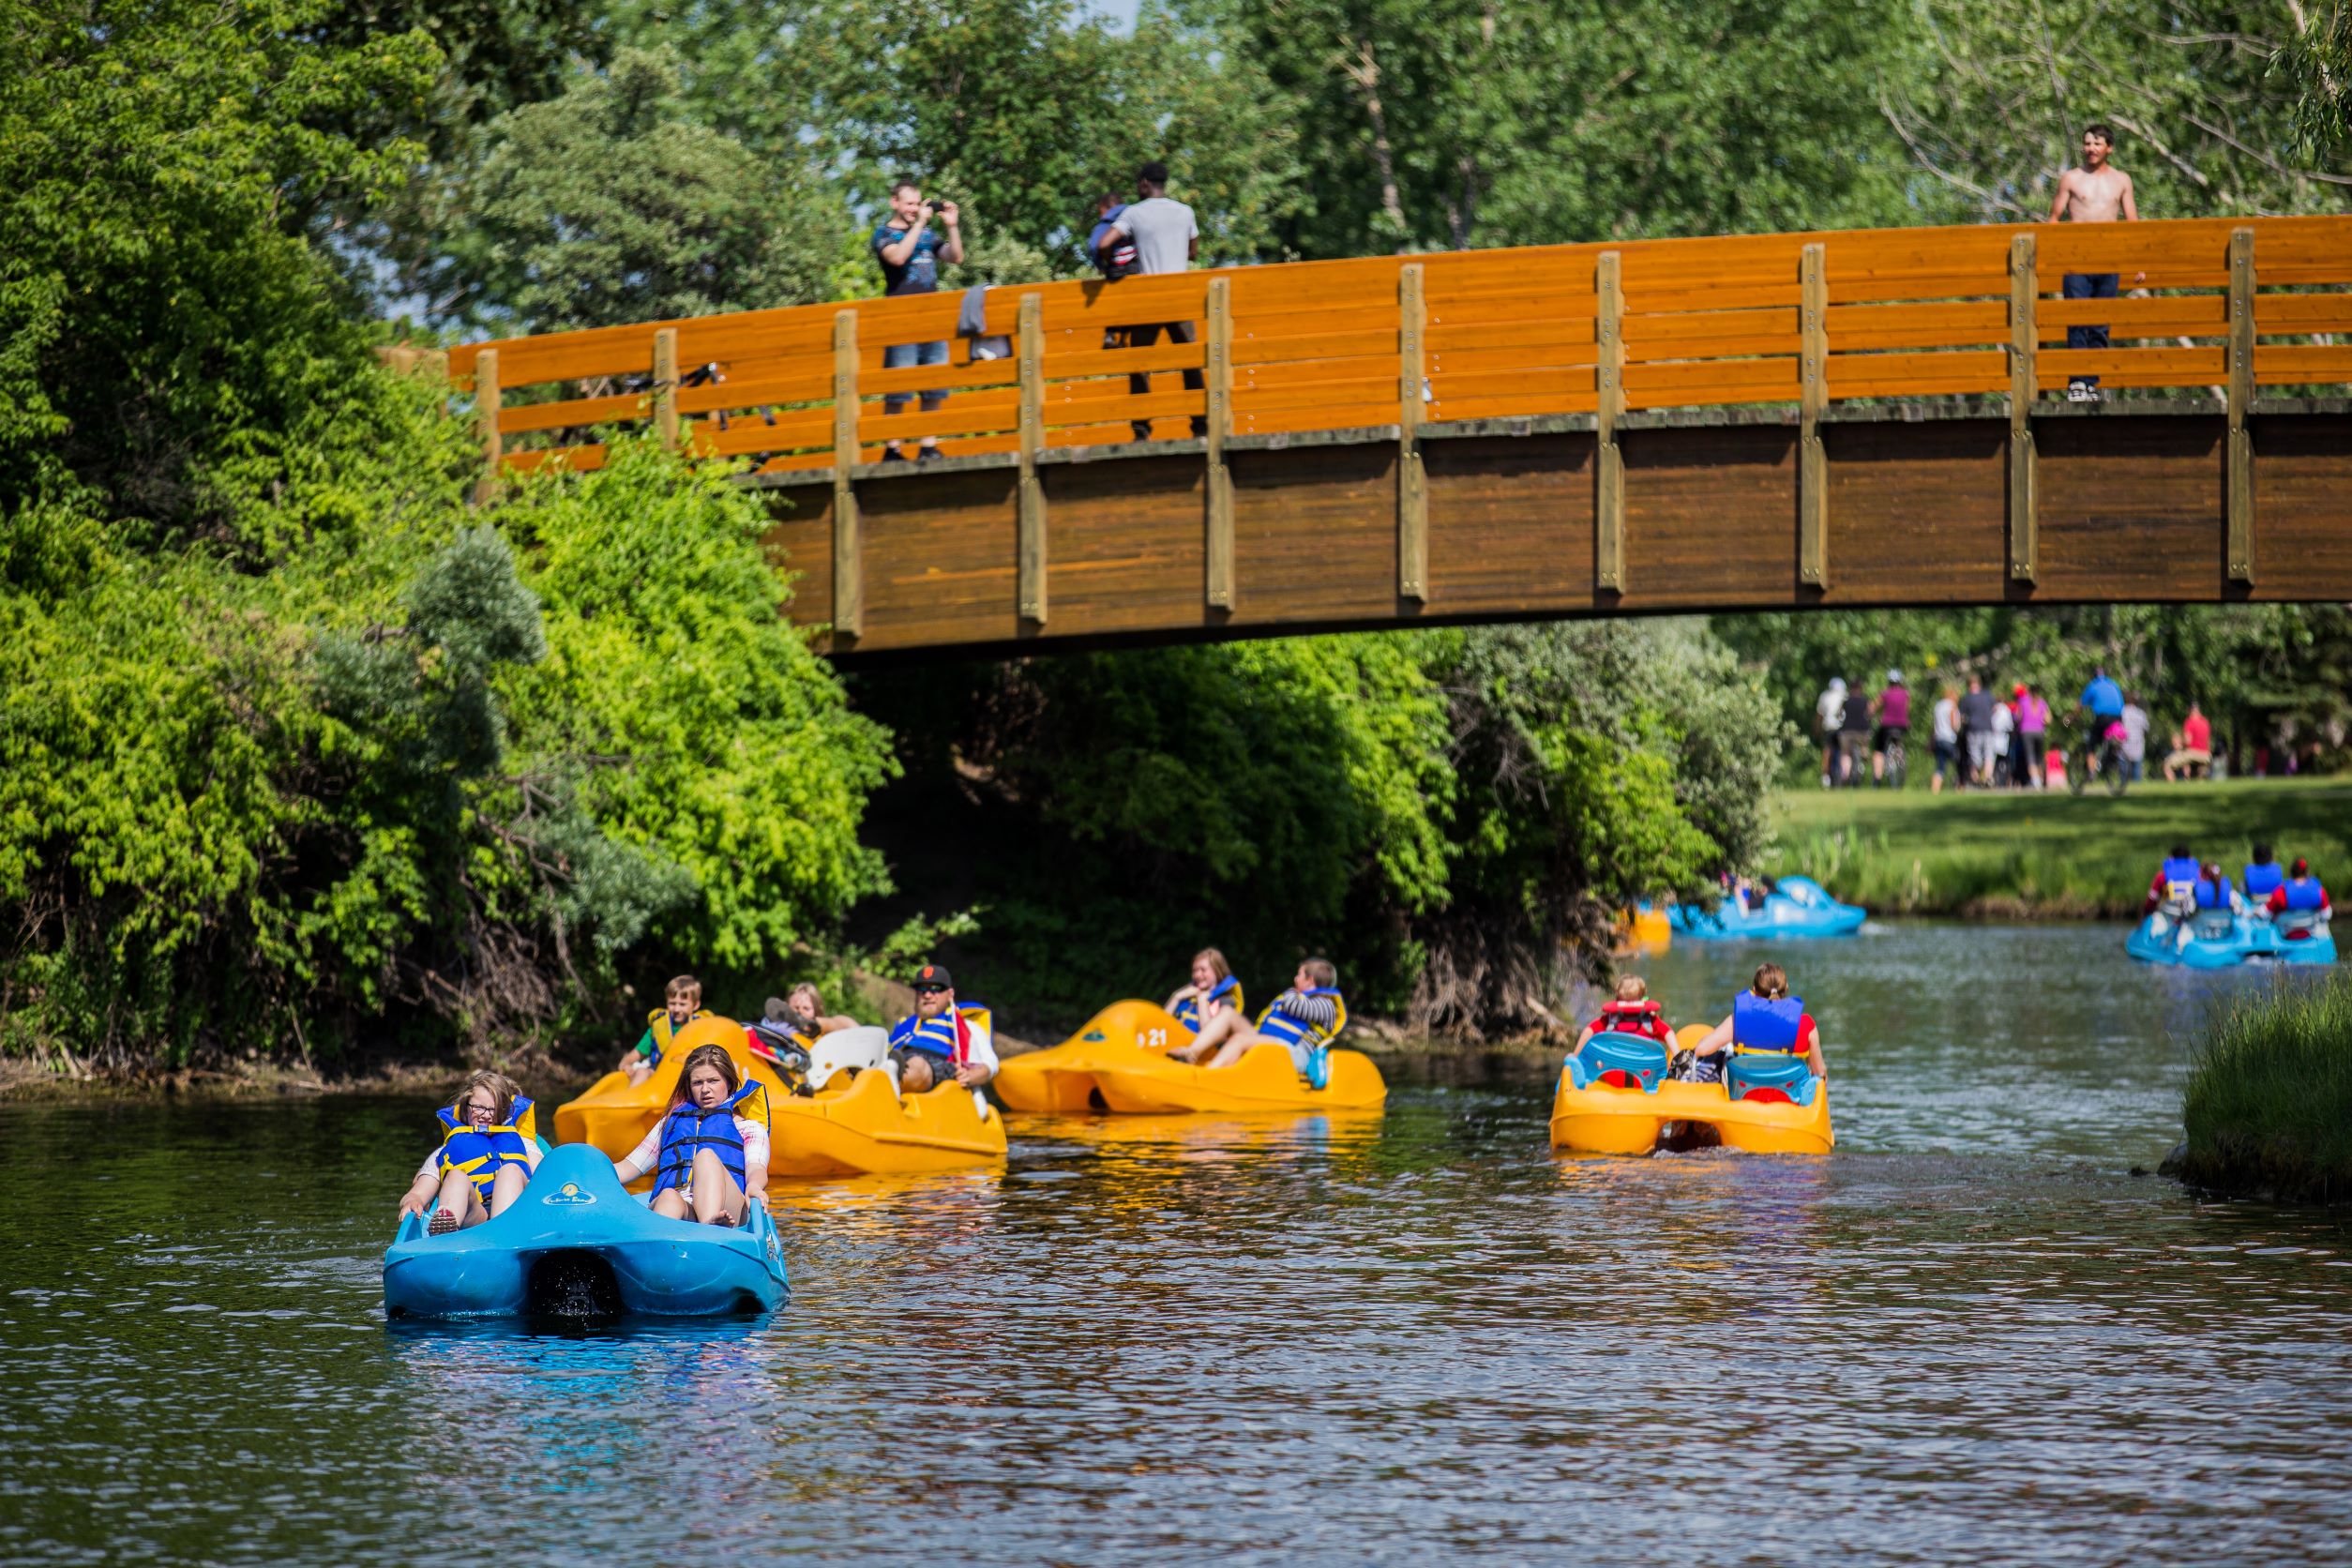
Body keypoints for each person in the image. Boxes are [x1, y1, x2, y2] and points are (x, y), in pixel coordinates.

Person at [1097, 161, 1208, 442]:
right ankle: (1201, 427)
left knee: (1140, 363)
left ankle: (1141, 430)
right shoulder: (1185, 211)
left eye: (1138, 183)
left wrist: (1114, 265)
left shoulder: (1134, 213)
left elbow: (1103, 244)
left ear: (1145, 183)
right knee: (1191, 362)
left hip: (1147, 299)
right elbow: (1193, 252)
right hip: (1179, 296)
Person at [612, 1044, 769, 1228]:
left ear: (729, 1082)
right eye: (697, 1083)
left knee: (706, 1157)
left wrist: (754, 1186)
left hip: (730, 1211)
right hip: (684, 1209)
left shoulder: (749, 1128)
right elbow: (630, 1166)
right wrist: (588, 1172)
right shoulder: (670, 1123)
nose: (705, 1089)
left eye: (713, 1081)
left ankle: (711, 1226)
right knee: (668, 1196)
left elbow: (756, 1168)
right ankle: (661, 1246)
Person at [871, 179, 965, 463]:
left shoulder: (927, 234)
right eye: (910, 203)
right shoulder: (883, 233)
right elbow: (897, 258)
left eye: (918, 203)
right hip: (900, 319)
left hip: (932, 318)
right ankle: (893, 448)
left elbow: (956, 257)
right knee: (898, 387)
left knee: (934, 384)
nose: (915, 208)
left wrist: (951, 225)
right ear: (895, 203)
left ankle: (928, 445)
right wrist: (917, 225)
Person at [2045, 123, 2141, 402]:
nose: (2091, 148)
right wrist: (2050, 257)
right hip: (2076, 259)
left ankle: (2092, 383)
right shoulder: (2071, 179)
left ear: (2108, 148)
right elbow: (2054, 219)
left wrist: (2137, 261)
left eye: (2097, 143)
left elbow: (2132, 222)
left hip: (2108, 258)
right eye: (2087, 143)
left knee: (2100, 323)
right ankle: (2077, 382)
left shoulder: (2121, 180)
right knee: (2077, 319)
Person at [398, 1070, 543, 1236]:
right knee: (455, 1175)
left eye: (492, 1109)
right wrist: (412, 1201)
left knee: (510, 1170)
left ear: (502, 1112)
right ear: (466, 1108)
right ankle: (446, 1225)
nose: (486, 1115)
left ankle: (502, 1234)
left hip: (517, 1212)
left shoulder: (523, 1143)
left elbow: (543, 1180)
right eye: (479, 1108)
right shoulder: (445, 1151)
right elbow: (417, 1192)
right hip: (477, 1215)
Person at [1172, 957, 1346, 1076]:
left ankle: (1208, 1076)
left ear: (1310, 980)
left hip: (1295, 1055)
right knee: (1228, 1014)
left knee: (1240, 1039)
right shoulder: (1299, 997)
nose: (1295, 979)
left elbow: (1293, 1006)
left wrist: (1292, 992)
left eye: (1299, 975)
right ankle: (1192, 1053)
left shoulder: (1326, 1005)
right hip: (1274, 1043)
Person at [1687, 963, 1827, 1089]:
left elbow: (1701, 1050)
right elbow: (1820, 1073)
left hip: (1744, 1097)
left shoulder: (1738, 1020)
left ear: (1754, 990)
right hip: (1789, 1101)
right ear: (1786, 988)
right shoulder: (1806, 1025)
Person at [887, 963, 1000, 1093]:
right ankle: (886, 1074)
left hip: (937, 1065)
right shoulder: (906, 1026)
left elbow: (991, 1063)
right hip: (898, 1059)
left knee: (917, 1063)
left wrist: (971, 1076)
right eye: (922, 989)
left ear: (950, 994)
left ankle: (891, 1078)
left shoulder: (966, 1025)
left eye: (935, 989)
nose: (928, 995)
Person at [619, 975, 708, 1086]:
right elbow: (632, 1056)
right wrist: (626, 1065)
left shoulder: (702, 1027)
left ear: (696, 1005)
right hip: (659, 1081)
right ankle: (630, 1101)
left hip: (687, 1082)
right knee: (642, 1072)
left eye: (682, 1004)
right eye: (672, 1003)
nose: (676, 1009)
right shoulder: (658, 1028)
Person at [1165, 947, 1244, 1035]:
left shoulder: (1225, 1001)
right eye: (1195, 970)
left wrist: (1202, 1001)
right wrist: (1176, 997)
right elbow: (1160, 1025)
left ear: (1217, 971)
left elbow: (1208, 1036)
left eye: (1203, 970)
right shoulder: (1187, 996)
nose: (1197, 975)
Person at [1871, 670, 1910, 786]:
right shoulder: (1905, 694)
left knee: (1879, 751)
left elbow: (1873, 708)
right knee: (1898, 740)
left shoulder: (1885, 693)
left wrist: (1871, 715)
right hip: (1902, 726)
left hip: (1887, 726)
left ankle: (1876, 780)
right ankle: (1899, 755)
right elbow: (1907, 710)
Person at [1958, 674, 1998, 789]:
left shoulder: (1966, 698)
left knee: (1974, 754)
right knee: (1989, 754)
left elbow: (1961, 716)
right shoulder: (1987, 695)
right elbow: (1995, 708)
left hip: (1973, 729)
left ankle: (1975, 779)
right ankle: (1988, 778)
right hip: (1987, 728)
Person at [2268, 858, 2331, 929]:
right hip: (2310, 931)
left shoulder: (2281, 891)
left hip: (2285, 933)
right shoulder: (2319, 890)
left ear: (2291, 873)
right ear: (2307, 872)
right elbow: (2327, 914)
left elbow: (2266, 913)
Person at [2144, 843, 2202, 917]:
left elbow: (2151, 900)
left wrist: (2145, 915)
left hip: (2168, 914)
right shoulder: (2199, 875)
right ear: (2190, 858)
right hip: (2191, 915)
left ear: (2171, 858)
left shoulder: (2162, 876)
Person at [1837, 672, 1873, 787]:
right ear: (1861, 688)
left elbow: (1838, 714)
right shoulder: (1865, 700)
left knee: (1845, 754)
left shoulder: (1846, 701)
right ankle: (1864, 754)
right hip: (1862, 732)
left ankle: (1845, 775)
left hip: (1847, 732)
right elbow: (1871, 713)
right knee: (1865, 744)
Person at [2164, 702, 2213, 781]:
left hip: (2192, 753)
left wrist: (2179, 741)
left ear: (2190, 710)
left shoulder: (2190, 721)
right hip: (2206, 755)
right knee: (2197, 773)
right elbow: (2208, 740)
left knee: (2167, 765)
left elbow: (2187, 741)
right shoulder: (2205, 722)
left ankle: (2172, 790)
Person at [2013, 682, 2049, 791]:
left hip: (2026, 732)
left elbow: (2017, 717)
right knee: (2039, 757)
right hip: (2040, 731)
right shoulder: (2042, 702)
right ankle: (2041, 779)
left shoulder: (2023, 701)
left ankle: (2035, 780)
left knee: (2030, 757)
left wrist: (2016, 720)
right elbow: (2048, 719)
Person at [1815, 677, 1847, 788]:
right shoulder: (1845, 696)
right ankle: (1844, 776)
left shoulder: (1825, 696)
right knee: (1844, 752)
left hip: (1829, 728)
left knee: (1827, 751)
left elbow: (1820, 714)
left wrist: (1817, 729)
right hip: (1842, 729)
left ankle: (1826, 777)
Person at [1929, 684, 1961, 794]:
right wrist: (1958, 728)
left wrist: (1931, 740)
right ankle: (1958, 788)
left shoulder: (1938, 706)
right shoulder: (1952, 706)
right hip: (1949, 739)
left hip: (1938, 738)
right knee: (1957, 764)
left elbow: (1934, 725)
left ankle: (1935, 790)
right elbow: (1954, 724)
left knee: (1940, 766)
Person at [2119, 693, 2150, 783]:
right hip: (2138, 745)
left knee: (2124, 774)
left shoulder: (2121, 713)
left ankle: (2123, 788)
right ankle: (2137, 790)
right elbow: (2146, 729)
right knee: (2136, 771)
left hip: (2124, 745)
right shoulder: (2140, 713)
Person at [1989, 684, 2015, 789]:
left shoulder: (1993, 709)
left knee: (1994, 762)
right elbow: (2010, 725)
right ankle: (2003, 782)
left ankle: (1995, 781)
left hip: (1993, 739)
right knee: (2004, 763)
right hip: (2003, 739)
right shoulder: (2006, 710)